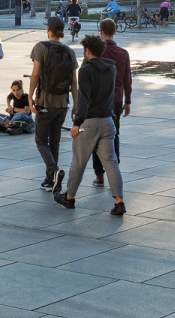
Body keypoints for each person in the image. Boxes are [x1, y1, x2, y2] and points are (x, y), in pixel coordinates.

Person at [54, 34, 126, 215]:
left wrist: (77, 122)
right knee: (111, 162)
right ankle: (119, 201)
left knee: (79, 161)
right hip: (108, 120)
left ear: (87, 50)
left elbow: (84, 98)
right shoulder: (111, 68)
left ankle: (69, 197)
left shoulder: (86, 70)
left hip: (90, 122)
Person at [29, 16, 77, 192]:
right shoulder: (69, 52)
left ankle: (54, 171)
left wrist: (30, 96)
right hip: (62, 102)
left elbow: (35, 74)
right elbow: (74, 82)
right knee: (55, 140)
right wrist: (76, 105)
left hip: (45, 102)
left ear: (48, 29)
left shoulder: (41, 47)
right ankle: (50, 181)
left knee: (41, 140)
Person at [92, 17, 131, 186]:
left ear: (101, 31)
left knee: (96, 136)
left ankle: (99, 175)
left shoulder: (96, 52)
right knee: (114, 133)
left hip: (97, 100)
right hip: (116, 99)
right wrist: (127, 100)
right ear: (115, 31)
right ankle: (113, 171)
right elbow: (127, 79)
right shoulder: (123, 53)